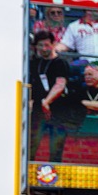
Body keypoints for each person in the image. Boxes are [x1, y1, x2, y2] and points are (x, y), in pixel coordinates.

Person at [29, 30, 80, 163]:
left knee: (56, 149)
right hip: (38, 110)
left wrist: (47, 101)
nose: (44, 49)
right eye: (40, 45)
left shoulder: (60, 63)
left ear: (53, 44)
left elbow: (60, 84)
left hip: (58, 111)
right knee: (32, 145)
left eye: (47, 45)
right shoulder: (35, 63)